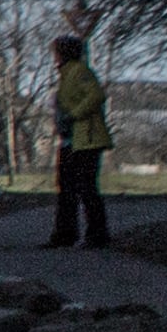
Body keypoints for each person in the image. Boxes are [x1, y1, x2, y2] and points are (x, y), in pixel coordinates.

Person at [47, 32, 113, 250]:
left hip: (86, 140)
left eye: (56, 52)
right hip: (71, 140)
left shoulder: (79, 72)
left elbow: (96, 96)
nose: (54, 57)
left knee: (85, 188)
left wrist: (74, 114)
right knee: (66, 187)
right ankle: (65, 234)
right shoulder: (67, 75)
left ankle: (96, 235)